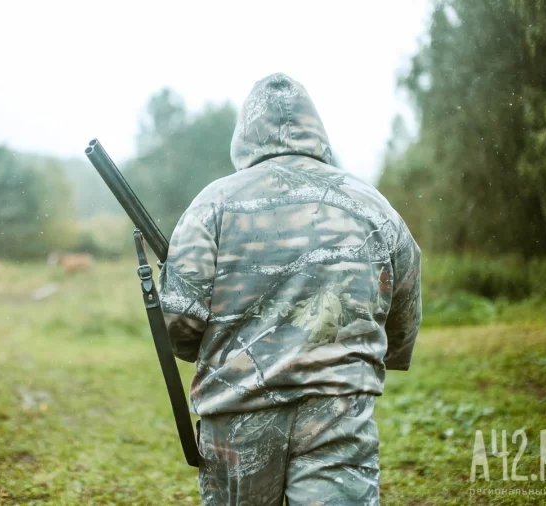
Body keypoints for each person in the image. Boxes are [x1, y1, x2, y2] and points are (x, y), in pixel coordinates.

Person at [158, 73, 422, 506]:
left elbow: (179, 324)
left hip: (236, 418)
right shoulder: (371, 204)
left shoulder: (212, 204)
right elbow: (403, 308)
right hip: (338, 411)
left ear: (245, 135)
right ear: (316, 130)